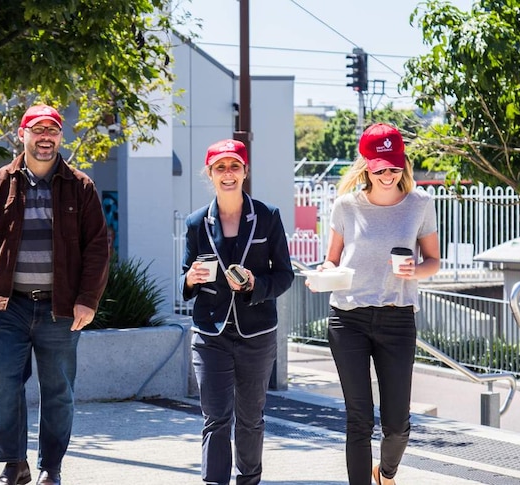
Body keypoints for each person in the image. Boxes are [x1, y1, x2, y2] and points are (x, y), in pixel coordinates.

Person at [0, 104, 109, 485]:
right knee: (4, 384)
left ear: (60, 137)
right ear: (22, 135)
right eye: (37, 129)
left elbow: (98, 248)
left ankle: (50, 469)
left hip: (61, 309)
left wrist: (87, 300)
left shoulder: (81, 186)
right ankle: (14, 465)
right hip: (9, 306)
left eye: (52, 130)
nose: (46, 137)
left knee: (58, 391)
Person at [313, 123, 440, 485]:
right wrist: (323, 273)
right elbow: (332, 259)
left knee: (397, 424)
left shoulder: (420, 205)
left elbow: (433, 260)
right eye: (380, 167)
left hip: (398, 319)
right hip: (347, 320)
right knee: (359, 419)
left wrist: (415, 270)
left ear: (403, 164)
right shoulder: (346, 206)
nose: (388, 174)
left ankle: (386, 474)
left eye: (394, 166)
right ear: (366, 165)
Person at [181, 139, 295, 485]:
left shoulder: (267, 216)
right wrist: (190, 278)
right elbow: (186, 280)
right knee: (216, 417)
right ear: (210, 174)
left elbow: (284, 275)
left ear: (245, 172)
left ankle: (249, 479)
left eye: (234, 167)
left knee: (250, 418)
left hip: (256, 333)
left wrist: (253, 285)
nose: (227, 174)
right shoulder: (196, 222)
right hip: (210, 333)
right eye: (220, 168)